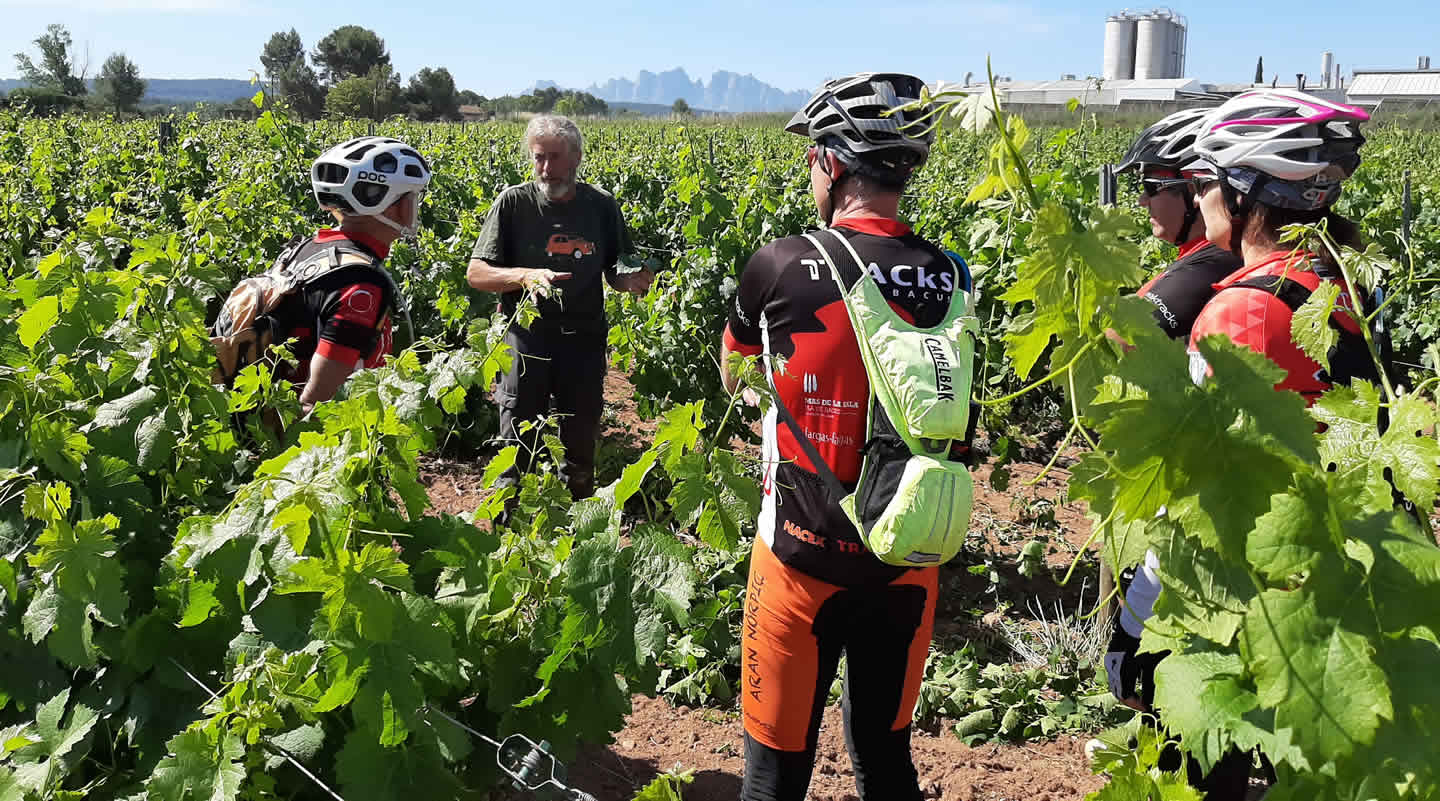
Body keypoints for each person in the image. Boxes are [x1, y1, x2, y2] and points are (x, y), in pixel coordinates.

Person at [1104, 89, 1370, 800]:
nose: (1198, 194)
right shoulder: (1336, 287)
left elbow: (1201, 484)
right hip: (1339, 566)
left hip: (1254, 582)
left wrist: (1136, 617)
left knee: (1179, 734)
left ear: (1242, 190)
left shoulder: (1241, 307)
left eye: (1202, 181)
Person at [718, 73, 964, 801]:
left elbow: (734, 377)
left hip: (801, 560)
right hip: (907, 557)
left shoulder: (779, 264)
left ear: (832, 164)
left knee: (771, 779)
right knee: (886, 765)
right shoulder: (953, 274)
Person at [466, 114, 654, 501]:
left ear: (576, 159)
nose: (546, 169)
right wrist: (524, 276)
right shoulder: (514, 203)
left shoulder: (600, 206)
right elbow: (477, 273)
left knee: (580, 443)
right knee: (516, 448)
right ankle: (510, 535)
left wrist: (631, 282)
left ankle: (576, 536)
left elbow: (615, 271)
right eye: (539, 158)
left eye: (555, 157)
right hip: (525, 339)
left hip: (583, 341)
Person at [212, 136, 429, 415]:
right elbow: (317, 403)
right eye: (414, 197)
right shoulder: (361, 285)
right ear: (397, 205)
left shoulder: (307, 248)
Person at [1112, 108, 1241, 341]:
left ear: (1196, 188)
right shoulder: (1203, 252)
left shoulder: (1216, 263)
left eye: (1151, 188)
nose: (1142, 201)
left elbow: (1122, 341)